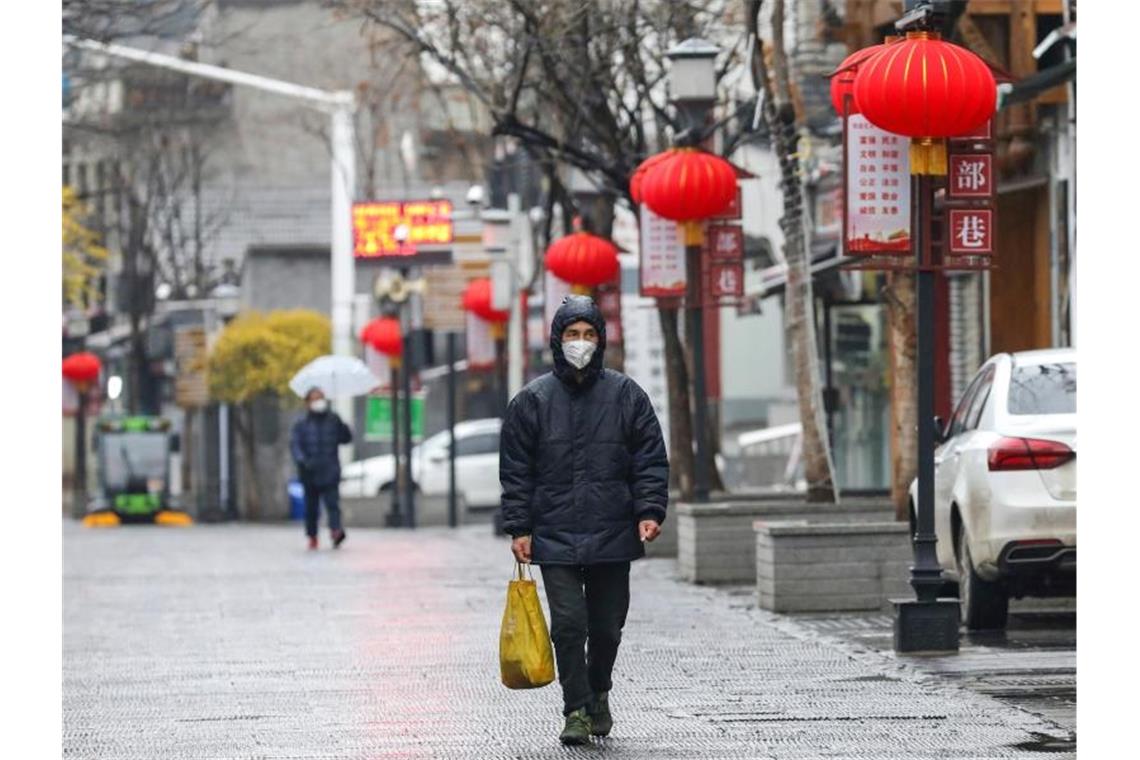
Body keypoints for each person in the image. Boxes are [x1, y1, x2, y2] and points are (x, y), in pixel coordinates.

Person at [499, 294, 669, 746]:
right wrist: (520, 526)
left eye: (588, 334)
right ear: (557, 340)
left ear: (602, 339)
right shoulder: (532, 401)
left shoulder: (626, 396)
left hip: (612, 528)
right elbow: (516, 470)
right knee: (569, 624)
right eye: (572, 335)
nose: (580, 343)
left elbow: (649, 459)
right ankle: (575, 708)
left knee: (608, 626)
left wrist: (649, 510)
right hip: (553, 533)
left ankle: (599, 692)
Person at [290, 387, 353, 550]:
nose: (318, 402)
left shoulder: (333, 419)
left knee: (333, 504)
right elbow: (295, 445)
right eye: (315, 399)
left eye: (321, 398)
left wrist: (343, 425)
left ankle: (336, 531)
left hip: (330, 469)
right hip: (309, 471)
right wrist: (303, 461)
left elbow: (346, 439)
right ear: (307, 402)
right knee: (311, 507)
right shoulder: (301, 423)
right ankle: (312, 536)